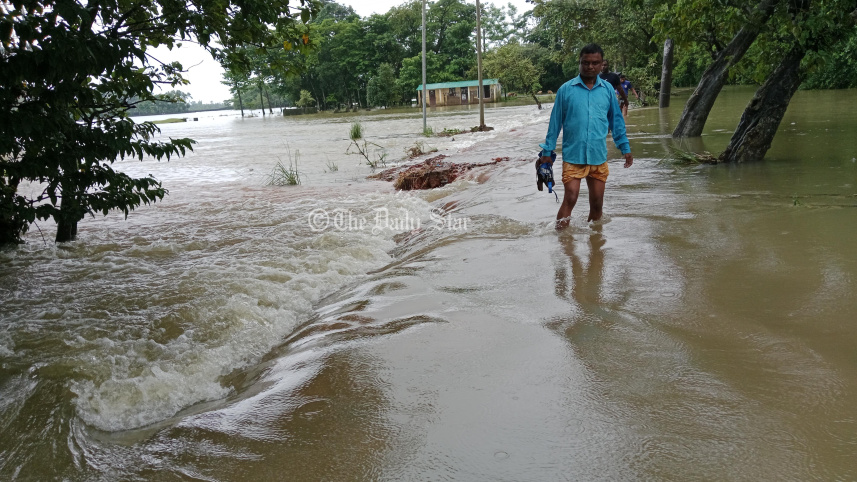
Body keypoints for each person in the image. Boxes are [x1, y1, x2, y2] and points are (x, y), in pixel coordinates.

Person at [539, 43, 633, 229]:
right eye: (586, 62)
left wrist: (625, 147)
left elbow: (616, 121)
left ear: (601, 64)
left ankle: (595, 241)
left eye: (595, 63)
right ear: (580, 63)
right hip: (573, 156)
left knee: (597, 204)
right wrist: (547, 152)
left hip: (598, 156)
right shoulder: (566, 89)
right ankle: (562, 240)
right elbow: (555, 123)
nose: (590, 66)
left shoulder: (607, 90)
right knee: (571, 197)